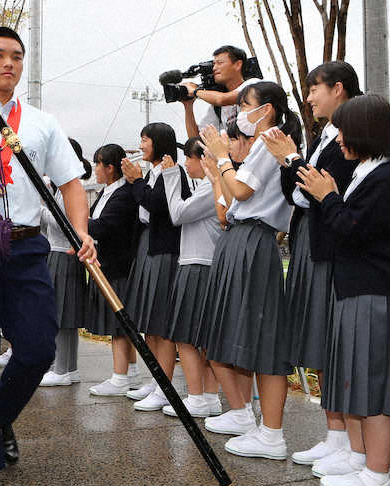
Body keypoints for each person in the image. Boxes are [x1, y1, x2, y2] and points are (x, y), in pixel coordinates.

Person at [0, 26, 96, 486]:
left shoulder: (40, 123)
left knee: (36, 347)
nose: (8, 64)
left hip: (26, 245)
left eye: (16, 56)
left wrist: (81, 232)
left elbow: (71, 182)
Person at [296, 94, 390, 486]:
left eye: (345, 131)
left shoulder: (387, 177)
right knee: (360, 385)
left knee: (374, 392)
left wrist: (328, 197)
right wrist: (329, 195)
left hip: (375, 294)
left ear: (365, 131)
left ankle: (376, 477)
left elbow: (350, 229)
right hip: (360, 291)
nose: (339, 139)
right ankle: (360, 460)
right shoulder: (370, 171)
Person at [260, 60, 361, 467]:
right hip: (310, 239)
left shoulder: (350, 135)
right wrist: (293, 163)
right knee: (318, 336)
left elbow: (311, 191)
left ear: (338, 88)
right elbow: (298, 193)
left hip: (329, 246)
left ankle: (345, 440)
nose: (309, 97)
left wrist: (292, 159)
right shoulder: (327, 134)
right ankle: (334, 433)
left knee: (330, 337)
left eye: (314, 89)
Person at [199, 80, 301, 459]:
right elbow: (230, 201)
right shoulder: (264, 142)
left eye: (246, 104)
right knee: (234, 332)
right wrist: (222, 168)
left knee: (262, 337)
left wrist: (224, 158)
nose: (240, 111)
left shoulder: (270, 139)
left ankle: (271, 433)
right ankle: (251, 421)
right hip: (242, 238)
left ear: (268, 108)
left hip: (255, 240)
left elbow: (241, 192)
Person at [118, 123, 186, 409]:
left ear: (159, 143)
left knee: (160, 320)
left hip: (163, 249)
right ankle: (157, 379)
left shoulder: (173, 171)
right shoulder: (152, 172)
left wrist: (135, 182)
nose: (141, 145)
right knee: (148, 319)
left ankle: (166, 387)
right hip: (147, 245)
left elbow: (158, 205)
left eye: (145, 140)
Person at [158, 138, 224, 418]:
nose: (186, 163)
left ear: (203, 159)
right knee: (204, 338)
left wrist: (170, 176)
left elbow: (177, 213)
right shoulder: (208, 186)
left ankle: (197, 398)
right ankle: (209, 397)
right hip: (202, 263)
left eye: (189, 158)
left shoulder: (210, 187)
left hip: (197, 264)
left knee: (185, 337)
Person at [84, 143, 141, 395]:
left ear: (110, 167)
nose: (95, 169)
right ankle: (131, 372)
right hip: (109, 263)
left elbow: (102, 226)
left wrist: (75, 219)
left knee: (119, 324)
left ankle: (120, 378)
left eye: (98, 163)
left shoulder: (124, 194)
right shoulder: (106, 192)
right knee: (120, 323)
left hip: (120, 265)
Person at [39, 138, 94, 387]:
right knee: (66, 316)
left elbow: (59, 222)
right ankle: (67, 367)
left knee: (62, 315)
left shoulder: (70, 189)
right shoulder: (65, 187)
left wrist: (39, 207)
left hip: (62, 252)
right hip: (62, 253)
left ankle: (62, 368)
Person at [181, 45, 250, 139]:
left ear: (238, 64)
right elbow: (195, 140)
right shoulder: (218, 108)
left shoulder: (253, 85)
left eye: (220, 63)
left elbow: (222, 99)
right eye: (213, 64)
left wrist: (195, 91)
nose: (214, 68)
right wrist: (188, 106)